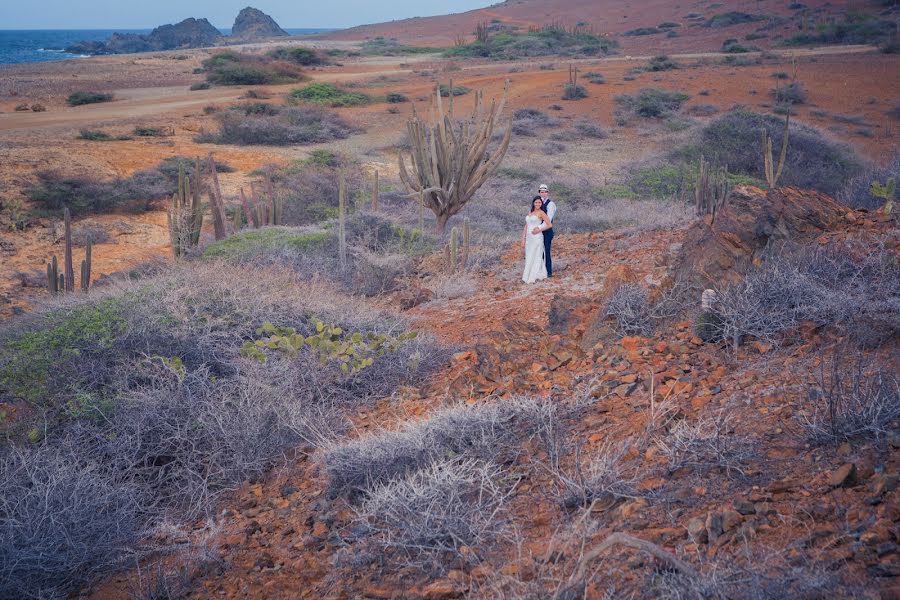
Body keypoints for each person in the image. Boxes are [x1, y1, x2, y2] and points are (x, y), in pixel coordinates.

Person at [522, 195, 550, 284]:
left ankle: (536, 275)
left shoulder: (541, 213)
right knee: (529, 255)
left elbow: (549, 224)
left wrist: (539, 229)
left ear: (541, 204)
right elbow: (526, 225)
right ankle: (527, 275)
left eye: (539, 202)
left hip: (537, 237)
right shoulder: (530, 212)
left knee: (537, 255)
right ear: (533, 203)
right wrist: (523, 239)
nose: (538, 204)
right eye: (536, 202)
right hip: (529, 238)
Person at [536, 184, 556, 277]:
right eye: (541, 192)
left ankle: (548, 272)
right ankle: (539, 271)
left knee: (546, 250)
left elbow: (548, 219)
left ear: (548, 193)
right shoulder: (537, 203)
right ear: (539, 193)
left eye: (545, 192)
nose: (543, 193)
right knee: (538, 251)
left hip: (547, 231)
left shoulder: (550, 204)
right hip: (538, 231)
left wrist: (539, 228)